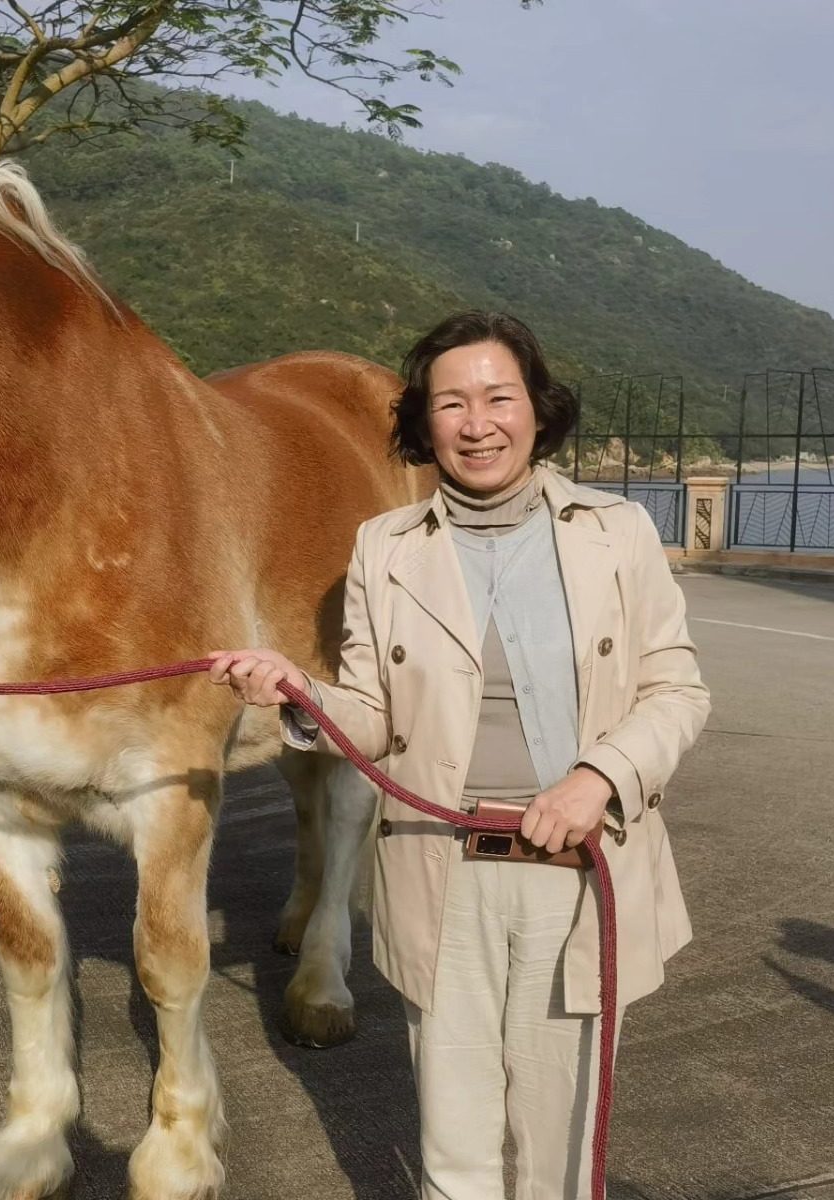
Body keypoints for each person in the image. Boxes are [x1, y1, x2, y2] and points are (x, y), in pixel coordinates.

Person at [208, 311, 709, 1199]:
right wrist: (300, 693)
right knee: (455, 1158)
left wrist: (599, 777)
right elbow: (370, 715)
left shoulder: (617, 531)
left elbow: (676, 691)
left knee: (561, 1159)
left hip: (582, 872)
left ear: (538, 411)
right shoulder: (384, 546)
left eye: (497, 398)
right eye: (450, 404)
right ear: (422, 424)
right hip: (441, 872)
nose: (476, 423)